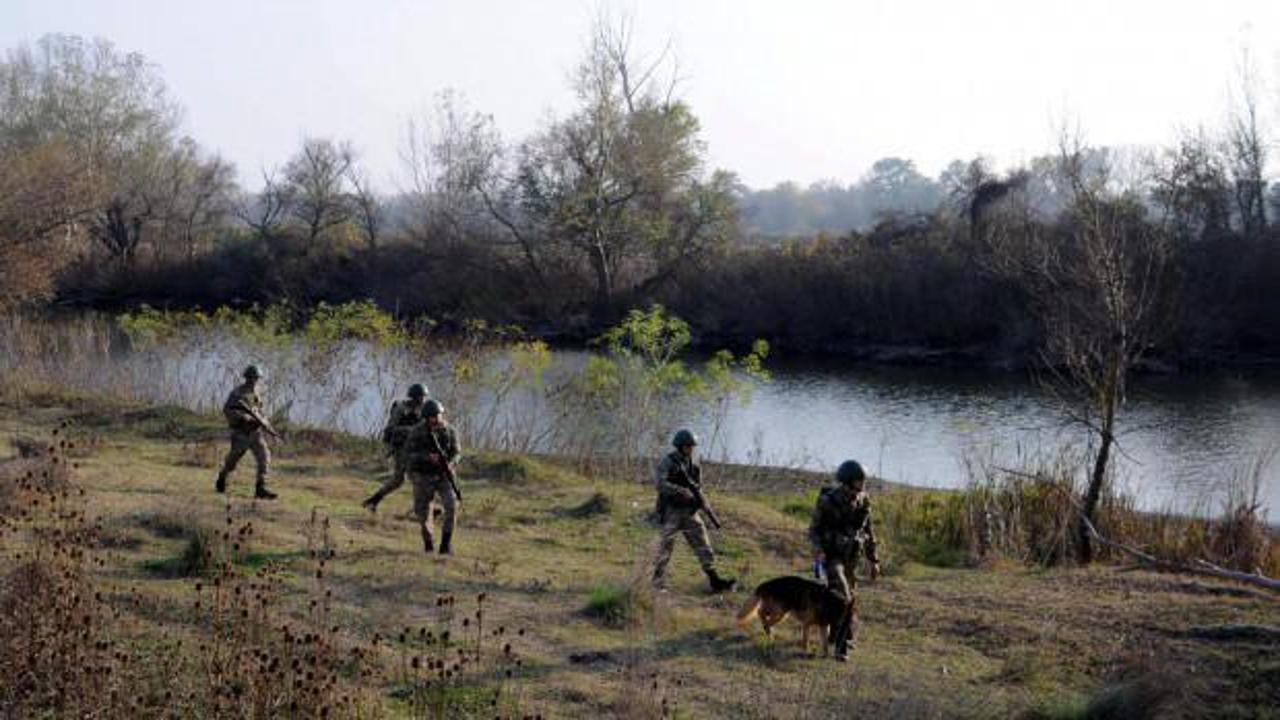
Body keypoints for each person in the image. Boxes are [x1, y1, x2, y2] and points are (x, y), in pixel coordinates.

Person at [809, 459, 881, 662]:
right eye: (860, 481)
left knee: (850, 600)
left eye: (864, 481)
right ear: (848, 481)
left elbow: (868, 532)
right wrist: (818, 550)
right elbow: (814, 530)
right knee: (843, 594)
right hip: (832, 556)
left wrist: (873, 560)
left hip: (852, 557)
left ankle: (842, 634)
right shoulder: (828, 501)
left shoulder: (864, 501)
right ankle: (841, 648)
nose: (863, 485)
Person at [651, 429, 736, 593]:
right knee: (665, 547)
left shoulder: (694, 464)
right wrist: (680, 490)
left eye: (692, 446)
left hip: (689, 511)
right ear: (680, 446)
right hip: (671, 511)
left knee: (703, 543)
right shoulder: (668, 462)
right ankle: (657, 582)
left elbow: (698, 487)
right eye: (688, 446)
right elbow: (659, 484)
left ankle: (714, 580)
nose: (691, 449)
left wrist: (704, 503)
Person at [403, 400, 461, 555]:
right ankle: (428, 544)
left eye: (438, 416)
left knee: (452, 506)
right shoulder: (416, 432)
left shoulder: (450, 431)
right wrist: (427, 457)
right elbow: (408, 454)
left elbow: (457, 452)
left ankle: (445, 545)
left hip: (444, 475)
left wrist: (450, 463)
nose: (436, 420)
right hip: (423, 477)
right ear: (426, 418)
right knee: (422, 513)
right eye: (432, 418)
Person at [363, 383, 429, 512]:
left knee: (398, 480)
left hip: (414, 448)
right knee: (415, 477)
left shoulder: (423, 410)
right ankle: (421, 509)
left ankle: (374, 500)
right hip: (401, 449)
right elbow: (390, 429)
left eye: (424, 396)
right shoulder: (401, 409)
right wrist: (411, 430)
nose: (423, 399)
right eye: (421, 396)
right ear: (414, 397)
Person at [215, 365, 277, 500]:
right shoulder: (237, 393)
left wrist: (265, 422)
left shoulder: (257, 392)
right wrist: (243, 417)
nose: (254, 380)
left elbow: (259, 411)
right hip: (241, 433)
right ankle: (222, 478)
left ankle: (261, 488)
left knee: (264, 457)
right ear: (247, 378)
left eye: (256, 378)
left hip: (256, 432)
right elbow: (228, 409)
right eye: (252, 378)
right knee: (233, 460)